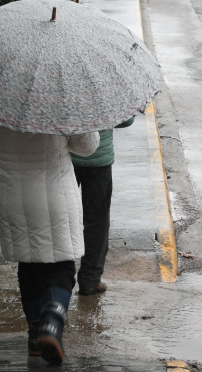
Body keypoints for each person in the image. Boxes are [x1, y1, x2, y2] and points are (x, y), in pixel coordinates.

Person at [0, 121, 99, 365]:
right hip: (55, 192)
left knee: (28, 264)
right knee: (61, 266)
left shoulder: (0, 105)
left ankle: (36, 338)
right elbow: (88, 146)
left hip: (14, 194)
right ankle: (51, 324)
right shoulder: (62, 102)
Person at [70, 117, 134, 296]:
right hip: (99, 160)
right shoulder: (104, 89)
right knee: (97, 220)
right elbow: (126, 120)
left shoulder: (58, 89)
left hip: (64, 160)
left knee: (64, 218)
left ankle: (63, 278)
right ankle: (90, 280)